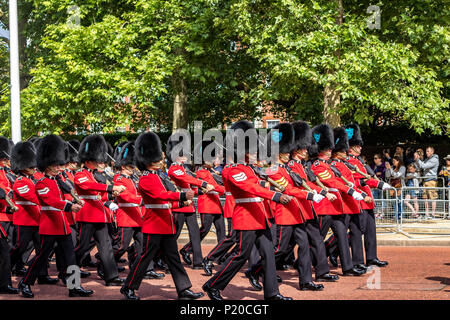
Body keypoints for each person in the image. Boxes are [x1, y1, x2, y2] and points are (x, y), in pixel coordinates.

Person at [202, 120, 293, 301]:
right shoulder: (231, 169)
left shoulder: (247, 167)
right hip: (246, 216)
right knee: (241, 255)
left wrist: (266, 181)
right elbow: (250, 188)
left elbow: (256, 182)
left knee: (268, 254)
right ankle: (212, 285)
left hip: (260, 215)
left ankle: (272, 293)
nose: (253, 152)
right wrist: (274, 195)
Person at [120, 131, 204, 300]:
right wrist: (180, 196)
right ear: (148, 160)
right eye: (157, 158)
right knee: (145, 258)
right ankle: (128, 287)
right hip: (154, 225)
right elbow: (160, 196)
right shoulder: (145, 179)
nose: (161, 161)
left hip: (166, 224)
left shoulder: (158, 176)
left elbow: (165, 201)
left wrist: (180, 202)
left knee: (173, 258)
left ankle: (183, 288)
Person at [247, 122, 325, 291]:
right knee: (279, 250)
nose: (289, 154)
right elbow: (289, 190)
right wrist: (310, 195)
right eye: (286, 152)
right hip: (285, 214)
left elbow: (299, 185)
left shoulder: (286, 168)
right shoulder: (274, 170)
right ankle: (255, 270)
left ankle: (305, 282)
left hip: (296, 214)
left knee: (304, 246)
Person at [18, 134, 93, 298]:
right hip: (49, 226)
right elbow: (51, 201)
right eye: (55, 165)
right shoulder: (42, 183)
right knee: (41, 257)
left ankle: (74, 286)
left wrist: (76, 200)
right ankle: (25, 282)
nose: (59, 167)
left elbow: (65, 193)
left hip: (63, 225)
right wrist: (69, 206)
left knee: (71, 257)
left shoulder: (58, 181)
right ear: (46, 166)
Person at [309, 124, 365, 276]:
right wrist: (351, 191)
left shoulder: (328, 165)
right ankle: (308, 265)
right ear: (320, 150)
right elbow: (333, 183)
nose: (330, 151)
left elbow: (339, 180)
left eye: (330, 149)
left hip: (335, 207)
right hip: (325, 207)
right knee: (317, 240)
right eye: (327, 149)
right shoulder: (318, 166)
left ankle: (347, 268)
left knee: (341, 237)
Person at [73, 134, 126, 286]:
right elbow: (89, 187)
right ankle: (70, 277)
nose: (99, 162)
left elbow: (99, 194)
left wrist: (111, 193)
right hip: (87, 215)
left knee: (106, 247)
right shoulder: (80, 174)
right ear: (88, 160)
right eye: (96, 160)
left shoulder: (96, 175)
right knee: (81, 248)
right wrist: (110, 187)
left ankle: (111, 277)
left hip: (100, 214)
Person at [166, 135, 215, 269]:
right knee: (174, 235)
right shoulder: (174, 168)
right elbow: (187, 179)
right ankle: (165, 260)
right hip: (180, 205)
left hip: (189, 204)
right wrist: (203, 183)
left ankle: (197, 261)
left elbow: (190, 186)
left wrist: (200, 191)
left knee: (195, 234)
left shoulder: (183, 168)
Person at [346, 123, 390, 268]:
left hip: (367, 200)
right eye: (357, 146)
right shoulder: (348, 162)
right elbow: (355, 181)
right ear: (351, 147)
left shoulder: (359, 161)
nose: (360, 147)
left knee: (370, 231)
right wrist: (377, 184)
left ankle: (371, 257)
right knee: (357, 231)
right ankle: (357, 261)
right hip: (359, 200)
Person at [180, 140, 226, 262]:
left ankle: (219, 255)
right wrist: (223, 189)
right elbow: (215, 187)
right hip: (207, 204)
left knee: (222, 233)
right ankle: (186, 249)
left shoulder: (209, 172)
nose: (215, 160)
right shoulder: (200, 172)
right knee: (205, 229)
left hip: (215, 203)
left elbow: (217, 187)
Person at [414, 146, 439, 218]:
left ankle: (433, 214)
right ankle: (427, 214)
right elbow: (419, 167)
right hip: (425, 180)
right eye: (426, 151)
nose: (426, 152)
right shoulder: (427, 159)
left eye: (428, 151)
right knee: (425, 198)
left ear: (432, 152)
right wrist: (417, 158)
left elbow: (424, 166)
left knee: (432, 198)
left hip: (431, 180)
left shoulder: (434, 159)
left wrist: (418, 159)